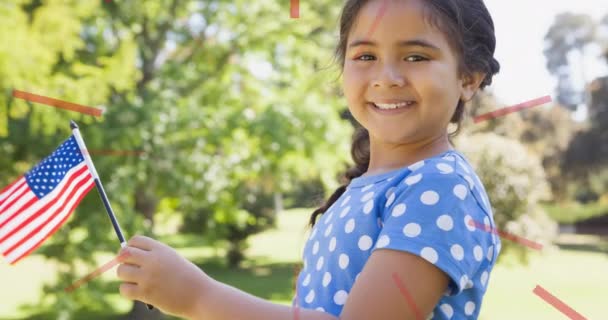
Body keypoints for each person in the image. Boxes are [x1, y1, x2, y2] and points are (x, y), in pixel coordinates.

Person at [116, 0, 502, 318]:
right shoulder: (373, 186)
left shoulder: (441, 186)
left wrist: (197, 296)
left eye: (416, 56)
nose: (386, 77)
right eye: (365, 54)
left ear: (468, 78)